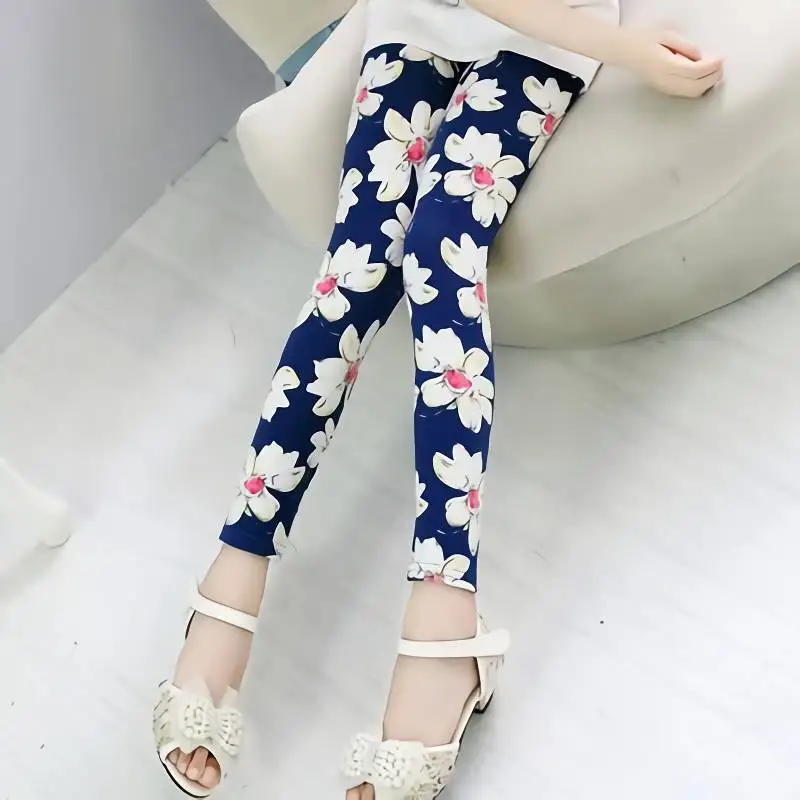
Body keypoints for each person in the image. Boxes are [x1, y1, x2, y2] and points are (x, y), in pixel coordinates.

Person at [152, 1, 724, 798]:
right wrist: (631, 52)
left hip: (547, 28)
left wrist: (616, 45)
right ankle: (238, 564)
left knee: (439, 248)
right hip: (420, 18)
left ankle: (445, 613)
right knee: (354, 271)